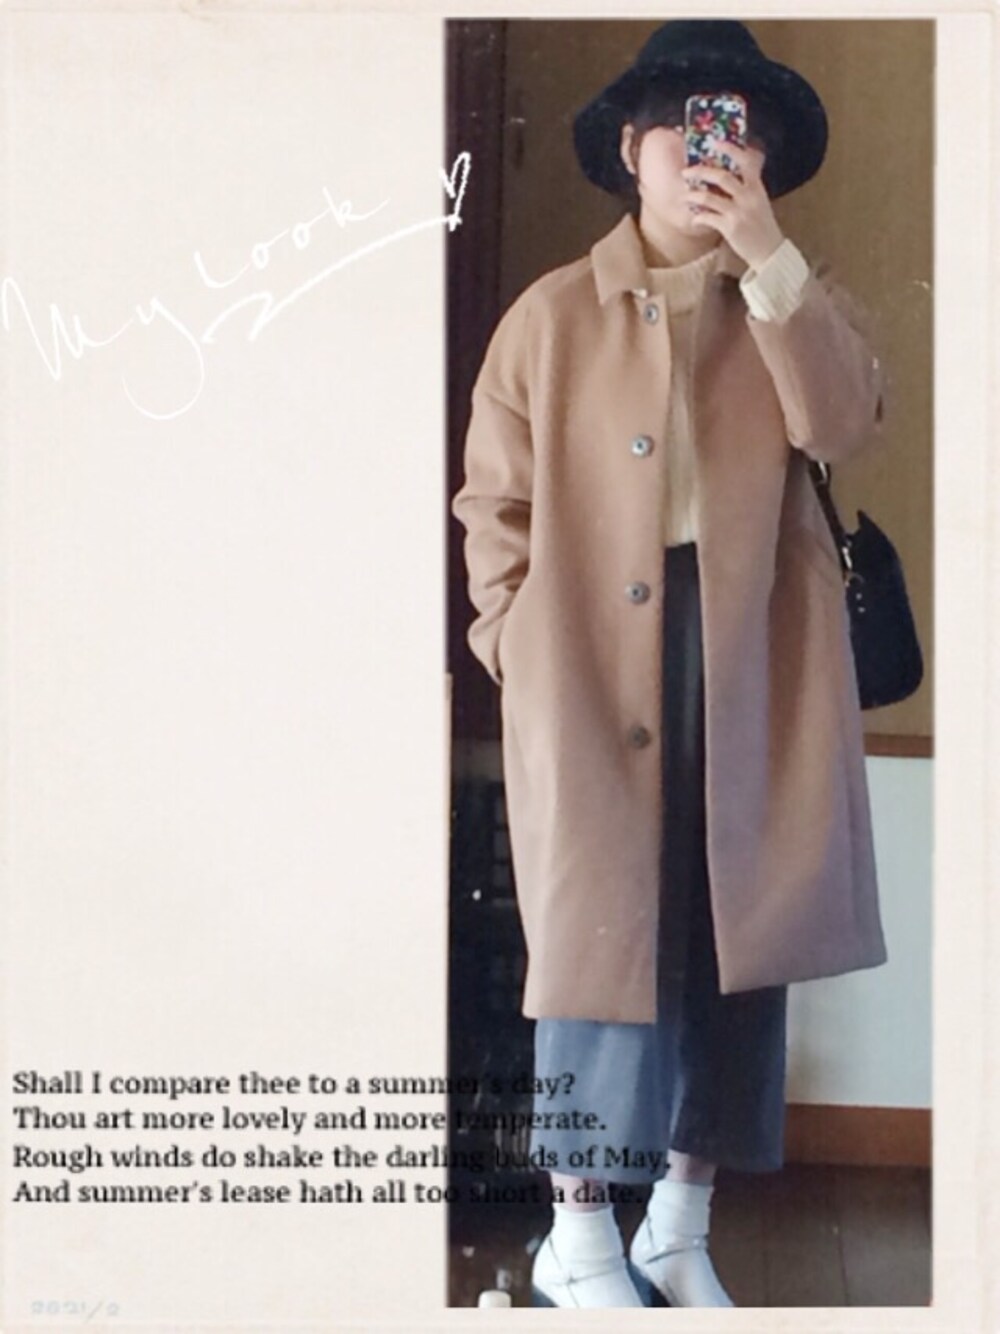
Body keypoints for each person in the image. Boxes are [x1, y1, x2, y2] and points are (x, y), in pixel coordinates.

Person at [451, 19, 889, 1309]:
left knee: (739, 939)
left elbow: (841, 424)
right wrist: (516, 643)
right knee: (593, 945)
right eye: (688, 129)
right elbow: (492, 508)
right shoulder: (550, 315)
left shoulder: (792, 298)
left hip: (760, 656)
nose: (713, 154)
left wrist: (768, 255)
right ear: (632, 151)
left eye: (737, 134)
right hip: (588, 660)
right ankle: (579, 1235)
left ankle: (677, 1229)